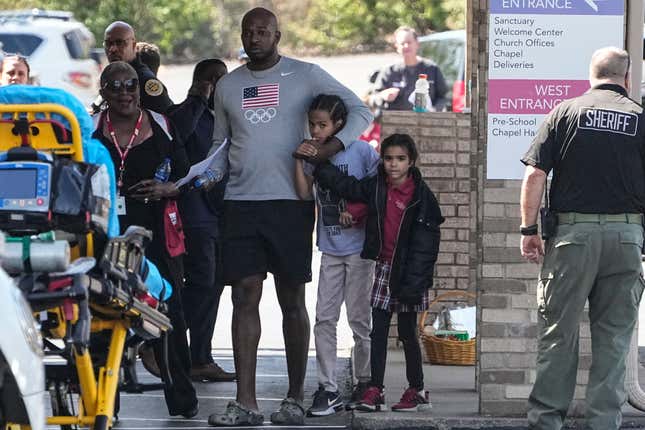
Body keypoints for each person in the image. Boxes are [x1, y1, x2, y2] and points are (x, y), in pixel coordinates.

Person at [206, 7, 372, 427]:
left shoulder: (307, 74)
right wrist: (195, 180)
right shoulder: (227, 86)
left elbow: (361, 113)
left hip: (291, 205)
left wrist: (328, 149)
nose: (255, 37)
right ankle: (246, 404)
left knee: (291, 300)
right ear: (241, 36)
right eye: (248, 31)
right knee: (243, 296)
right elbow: (218, 149)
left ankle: (296, 398)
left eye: (263, 31)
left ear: (277, 35)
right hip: (241, 204)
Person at [519, 47, 645, 430]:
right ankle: (603, 423)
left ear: (591, 75)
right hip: (627, 237)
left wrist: (528, 230)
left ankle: (546, 422)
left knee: (559, 333)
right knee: (614, 340)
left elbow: (536, 175)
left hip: (573, 237)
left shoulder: (565, 112)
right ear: (626, 79)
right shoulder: (641, 119)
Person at [91, 61, 198, 418]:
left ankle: (182, 401)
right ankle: (105, 404)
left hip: (154, 231)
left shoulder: (163, 126)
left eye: (131, 85)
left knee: (170, 313)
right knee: (99, 314)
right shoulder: (90, 130)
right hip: (106, 231)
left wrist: (168, 188)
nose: (125, 92)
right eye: (116, 86)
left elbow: (186, 177)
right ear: (103, 92)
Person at [310, 133, 443, 413]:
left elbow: (425, 248)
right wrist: (321, 166)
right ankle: (375, 389)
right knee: (379, 330)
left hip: (409, 273)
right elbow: (353, 189)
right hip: (383, 267)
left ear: (411, 162)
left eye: (400, 159)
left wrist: (414, 283)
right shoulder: (378, 186)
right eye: (388, 159)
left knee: (407, 334)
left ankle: (416, 390)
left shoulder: (423, 198)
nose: (393, 165)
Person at [293, 94, 380, 416]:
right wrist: (298, 159)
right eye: (312, 125)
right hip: (329, 248)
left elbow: (377, 193)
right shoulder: (312, 155)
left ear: (339, 125)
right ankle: (327, 387)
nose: (316, 131)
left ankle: (365, 381)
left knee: (360, 320)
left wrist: (356, 212)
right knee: (324, 320)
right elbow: (304, 194)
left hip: (359, 251)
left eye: (322, 125)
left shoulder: (361, 151)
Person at [167, 58, 236, 382]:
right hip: (195, 212)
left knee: (217, 283)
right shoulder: (187, 113)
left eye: (223, 78)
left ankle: (201, 357)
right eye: (212, 79)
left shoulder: (225, 117)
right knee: (202, 282)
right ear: (199, 82)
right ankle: (164, 340)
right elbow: (176, 135)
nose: (218, 84)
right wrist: (196, 98)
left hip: (222, 211)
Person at [102, 21, 172, 113]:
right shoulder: (111, 77)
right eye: (108, 43)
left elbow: (168, 122)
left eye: (120, 43)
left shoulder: (145, 81)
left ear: (134, 45)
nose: (112, 49)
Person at [373, 26, 448, 112]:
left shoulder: (432, 69)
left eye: (409, 42)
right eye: (402, 43)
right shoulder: (389, 71)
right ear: (396, 46)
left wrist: (434, 110)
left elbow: (443, 97)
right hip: (394, 122)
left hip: (425, 122)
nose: (406, 46)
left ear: (417, 44)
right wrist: (383, 96)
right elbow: (373, 98)